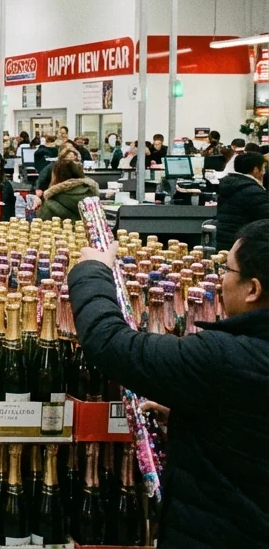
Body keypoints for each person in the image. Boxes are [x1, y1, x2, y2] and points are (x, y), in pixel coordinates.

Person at [70, 220, 269, 549]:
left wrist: (92, 270)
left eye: (227, 269)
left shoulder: (222, 357)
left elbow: (110, 344)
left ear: (253, 289)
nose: (221, 280)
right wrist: (192, 413)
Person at [213, 152, 269, 252]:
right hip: (244, 247)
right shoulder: (253, 192)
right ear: (256, 170)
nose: (264, 172)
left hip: (224, 242)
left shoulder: (230, 185)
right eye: (263, 168)